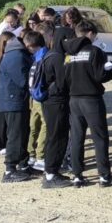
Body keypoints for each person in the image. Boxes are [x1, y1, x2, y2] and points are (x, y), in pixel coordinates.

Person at [65, 20, 112, 187]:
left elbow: (64, 76)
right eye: (94, 35)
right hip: (91, 99)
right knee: (99, 137)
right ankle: (104, 176)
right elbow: (100, 76)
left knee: (77, 137)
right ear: (90, 34)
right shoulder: (95, 51)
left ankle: (77, 175)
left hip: (74, 99)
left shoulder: (68, 52)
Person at [34, 29, 73, 189]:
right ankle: (51, 174)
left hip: (50, 101)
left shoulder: (50, 54)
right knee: (57, 137)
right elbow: (63, 82)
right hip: (56, 102)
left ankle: (52, 171)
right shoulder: (57, 57)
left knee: (54, 135)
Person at [0, 34, 33, 183]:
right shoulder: (17, 56)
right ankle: (10, 170)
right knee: (16, 134)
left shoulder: (15, 53)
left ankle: (23, 164)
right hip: (14, 100)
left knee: (22, 132)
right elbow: (22, 80)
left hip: (14, 99)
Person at [27, 21, 55, 172]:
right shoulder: (44, 53)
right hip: (41, 95)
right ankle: (40, 156)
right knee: (45, 125)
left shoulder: (34, 56)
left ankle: (30, 153)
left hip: (33, 94)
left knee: (33, 125)